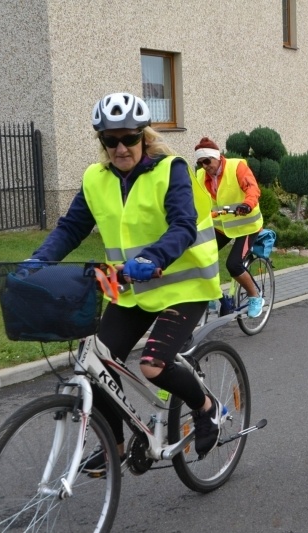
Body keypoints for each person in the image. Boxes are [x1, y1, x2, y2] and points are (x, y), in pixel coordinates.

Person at [27, 92, 225, 469]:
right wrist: (37, 261)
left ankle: (206, 406)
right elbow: (71, 228)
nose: (121, 147)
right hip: (132, 290)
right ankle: (114, 446)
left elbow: (183, 224)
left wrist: (152, 257)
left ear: (144, 136)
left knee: (152, 365)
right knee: (97, 362)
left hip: (184, 286)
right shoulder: (95, 179)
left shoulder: (171, 169)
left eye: (130, 138)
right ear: (102, 142)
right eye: (110, 140)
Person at [195, 137, 265, 318]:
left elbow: (252, 188)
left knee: (233, 265)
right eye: (200, 162)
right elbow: (194, 199)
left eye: (207, 161)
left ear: (216, 157)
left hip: (247, 226)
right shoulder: (201, 176)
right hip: (221, 226)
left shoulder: (237, 167)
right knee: (199, 256)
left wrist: (248, 204)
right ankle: (212, 293)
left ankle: (255, 296)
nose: (204, 166)